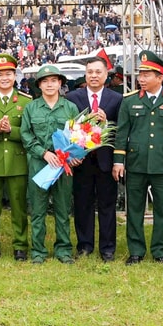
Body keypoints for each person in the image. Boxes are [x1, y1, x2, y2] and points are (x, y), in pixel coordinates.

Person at [112, 50, 163, 265]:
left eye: (147, 75)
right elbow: (122, 132)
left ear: (160, 77)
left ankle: (160, 251)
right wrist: (118, 161)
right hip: (136, 163)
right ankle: (136, 250)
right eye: (140, 74)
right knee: (134, 208)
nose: (141, 79)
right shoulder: (129, 101)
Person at [20, 65, 81, 264]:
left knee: (63, 210)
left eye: (53, 80)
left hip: (63, 166)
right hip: (40, 164)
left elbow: (78, 136)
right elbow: (26, 134)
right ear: (39, 85)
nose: (49, 84)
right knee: (38, 210)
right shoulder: (32, 107)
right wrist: (43, 153)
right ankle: (38, 251)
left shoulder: (70, 107)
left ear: (60, 83)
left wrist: (76, 155)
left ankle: (63, 250)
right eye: (45, 81)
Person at [65, 57, 121, 262]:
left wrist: (107, 123)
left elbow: (121, 130)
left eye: (98, 72)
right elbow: (67, 129)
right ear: (85, 74)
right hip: (82, 162)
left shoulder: (116, 98)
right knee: (82, 205)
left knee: (107, 205)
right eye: (90, 72)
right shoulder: (73, 97)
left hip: (106, 161)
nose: (94, 76)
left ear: (106, 75)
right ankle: (85, 246)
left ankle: (107, 248)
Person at [0, 53, 31, 261]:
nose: (4, 78)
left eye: (8, 74)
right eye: (0, 74)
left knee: (19, 207)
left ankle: (20, 245)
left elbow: (31, 132)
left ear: (15, 76)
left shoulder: (27, 102)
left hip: (17, 161)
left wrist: (12, 130)